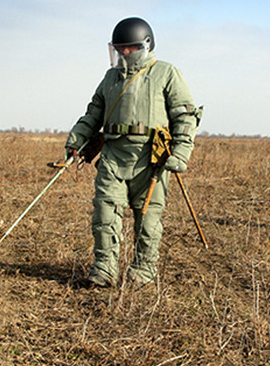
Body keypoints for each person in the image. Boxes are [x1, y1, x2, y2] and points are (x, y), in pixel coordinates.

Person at [65, 17, 201, 288]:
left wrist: (181, 152)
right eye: (119, 49)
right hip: (113, 156)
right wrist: (76, 140)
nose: (124, 54)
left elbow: (185, 116)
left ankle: (142, 273)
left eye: (130, 48)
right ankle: (103, 271)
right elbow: (94, 113)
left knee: (147, 218)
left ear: (145, 45)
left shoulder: (167, 73)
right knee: (105, 213)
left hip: (151, 159)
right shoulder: (110, 78)